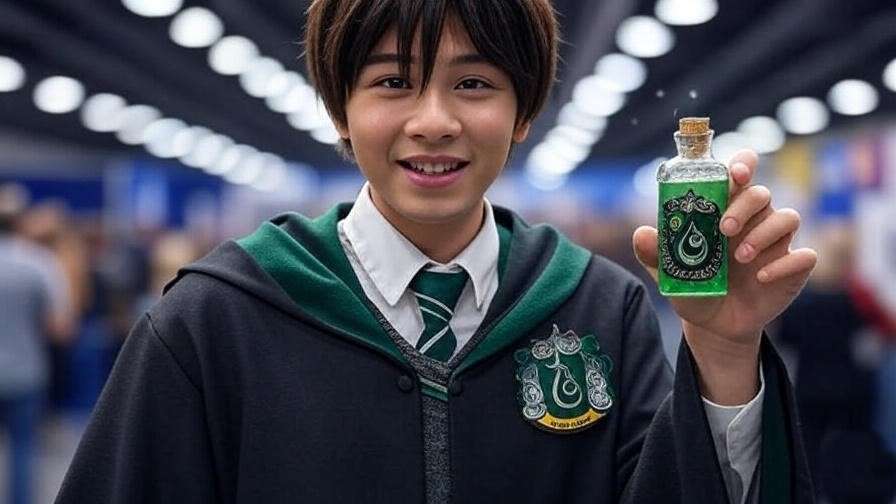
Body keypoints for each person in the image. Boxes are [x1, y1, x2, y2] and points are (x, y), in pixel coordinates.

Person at [56, 1, 818, 503]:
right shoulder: (214, 323)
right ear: (340, 112)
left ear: (523, 114)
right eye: (392, 82)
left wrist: (724, 352)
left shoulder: (598, 310)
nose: (434, 120)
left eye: (475, 83)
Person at [0, 184, 73, 504]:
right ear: (20, 221)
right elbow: (61, 327)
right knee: (23, 450)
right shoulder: (40, 263)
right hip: (25, 372)